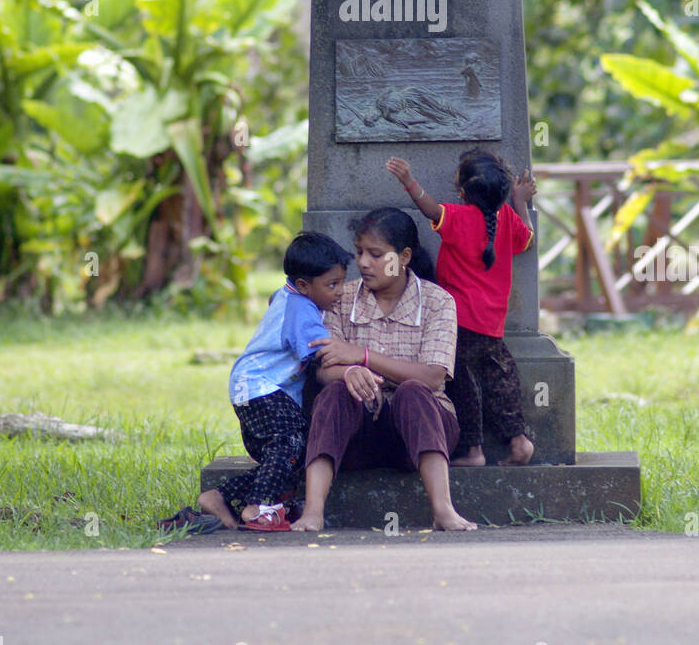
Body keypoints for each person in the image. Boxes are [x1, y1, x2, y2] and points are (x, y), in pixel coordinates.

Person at [291, 208, 477, 533]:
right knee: (334, 391)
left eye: (376, 254)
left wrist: (362, 356)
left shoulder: (438, 302)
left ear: (404, 257)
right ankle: (313, 511)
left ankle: (444, 510)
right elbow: (323, 369)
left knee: (413, 390)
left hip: (420, 431)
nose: (363, 262)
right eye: (360, 252)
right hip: (359, 433)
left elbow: (433, 376)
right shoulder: (340, 297)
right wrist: (348, 372)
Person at [387, 150, 536, 467]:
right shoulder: (506, 217)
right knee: (500, 382)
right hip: (493, 323)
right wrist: (520, 201)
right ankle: (519, 440)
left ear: (463, 189)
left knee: (464, 386)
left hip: (458, 322)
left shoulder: (458, 216)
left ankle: (473, 451)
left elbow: (428, 208)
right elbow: (528, 241)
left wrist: (408, 180)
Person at [198, 231, 351, 532]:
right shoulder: (303, 309)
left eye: (341, 282)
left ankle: (220, 497)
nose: (340, 291)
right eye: (332, 284)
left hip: (250, 387)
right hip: (262, 387)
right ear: (305, 286)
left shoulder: (288, 294)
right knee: (290, 442)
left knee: (292, 454)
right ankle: (259, 508)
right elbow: (322, 352)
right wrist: (355, 363)